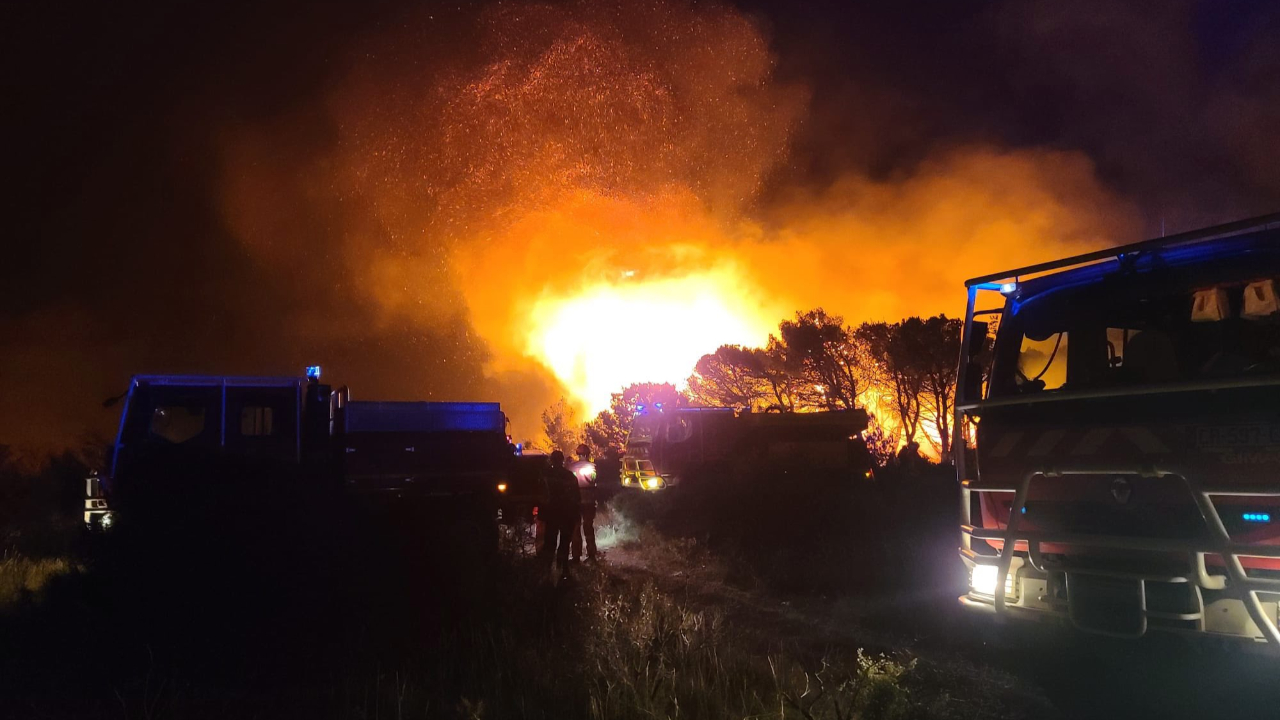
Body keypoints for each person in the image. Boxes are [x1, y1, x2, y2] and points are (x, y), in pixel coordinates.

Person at [540, 450, 580, 578]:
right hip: (567, 514)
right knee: (564, 543)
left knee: (550, 543)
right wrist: (576, 515)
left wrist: (541, 514)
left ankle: (547, 571)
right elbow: (576, 497)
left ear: (552, 460)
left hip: (552, 514)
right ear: (562, 460)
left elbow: (542, 495)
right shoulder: (570, 476)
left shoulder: (546, 475)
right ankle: (563, 570)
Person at [567, 443, 599, 562]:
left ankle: (576, 556)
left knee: (576, 527)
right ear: (588, 454)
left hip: (575, 501)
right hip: (589, 501)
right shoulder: (593, 466)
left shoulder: (571, 467)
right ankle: (591, 554)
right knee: (588, 527)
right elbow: (594, 481)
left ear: (578, 454)